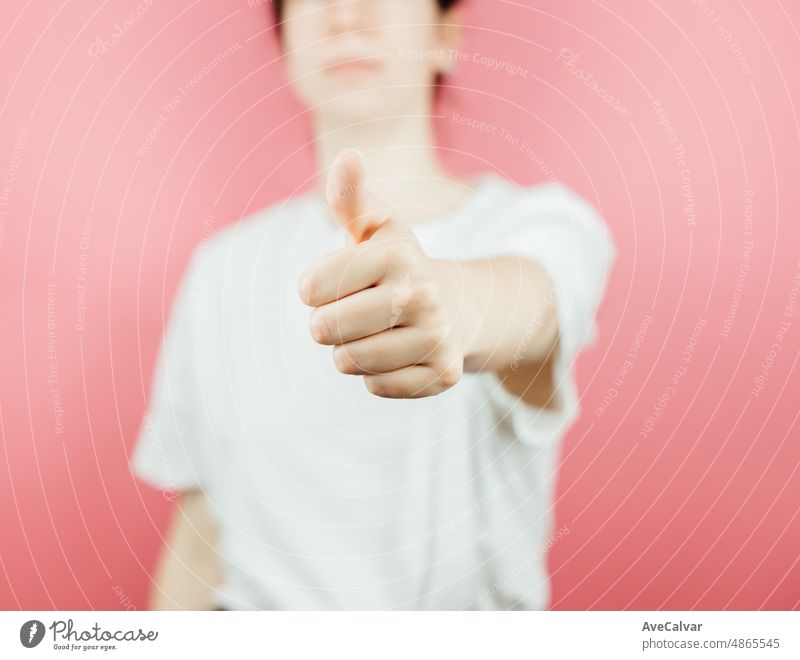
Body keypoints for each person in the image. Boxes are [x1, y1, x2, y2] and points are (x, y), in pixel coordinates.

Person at [131, 0, 617, 610]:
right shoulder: (222, 269)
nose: (344, 16)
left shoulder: (542, 226)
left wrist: (454, 306)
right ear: (284, 41)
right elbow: (201, 539)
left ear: (445, 34)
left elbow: (531, 304)